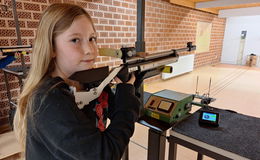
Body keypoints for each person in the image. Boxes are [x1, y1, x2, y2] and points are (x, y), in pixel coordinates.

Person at [14, 3, 140, 160]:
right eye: (75, 40)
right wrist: (128, 98)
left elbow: (116, 111)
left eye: (92, 38)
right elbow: (106, 154)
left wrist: (127, 89)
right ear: (51, 47)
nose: (90, 49)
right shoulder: (47, 99)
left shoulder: (87, 81)